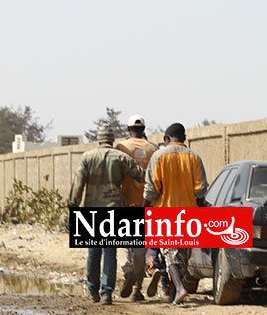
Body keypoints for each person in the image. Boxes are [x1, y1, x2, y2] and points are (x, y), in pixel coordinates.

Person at [68, 122, 145, 305]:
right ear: (112, 140)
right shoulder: (121, 157)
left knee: (93, 252)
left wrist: (72, 208)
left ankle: (92, 290)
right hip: (113, 209)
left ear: (98, 139)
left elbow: (77, 186)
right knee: (110, 252)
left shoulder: (87, 157)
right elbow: (141, 176)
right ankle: (107, 293)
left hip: (91, 210)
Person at [143, 122, 208, 305]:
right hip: (189, 213)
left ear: (166, 139)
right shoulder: (194, 157)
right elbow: (201, 189)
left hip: (166, 212)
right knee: (183, 256)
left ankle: (178, 288)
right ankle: (174, 295)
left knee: (170, 252)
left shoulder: (158, 156)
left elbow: (151, 189)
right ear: (184, 139)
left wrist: (145, 207)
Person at [115, 115, 158, 302]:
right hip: (147, 204)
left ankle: (128, 270)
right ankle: (138, 290)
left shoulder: (122, 148)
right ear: (144, 129)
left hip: (125, 202)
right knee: (140, 250)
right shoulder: (154, 149)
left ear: (128, 129)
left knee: (121, 245)